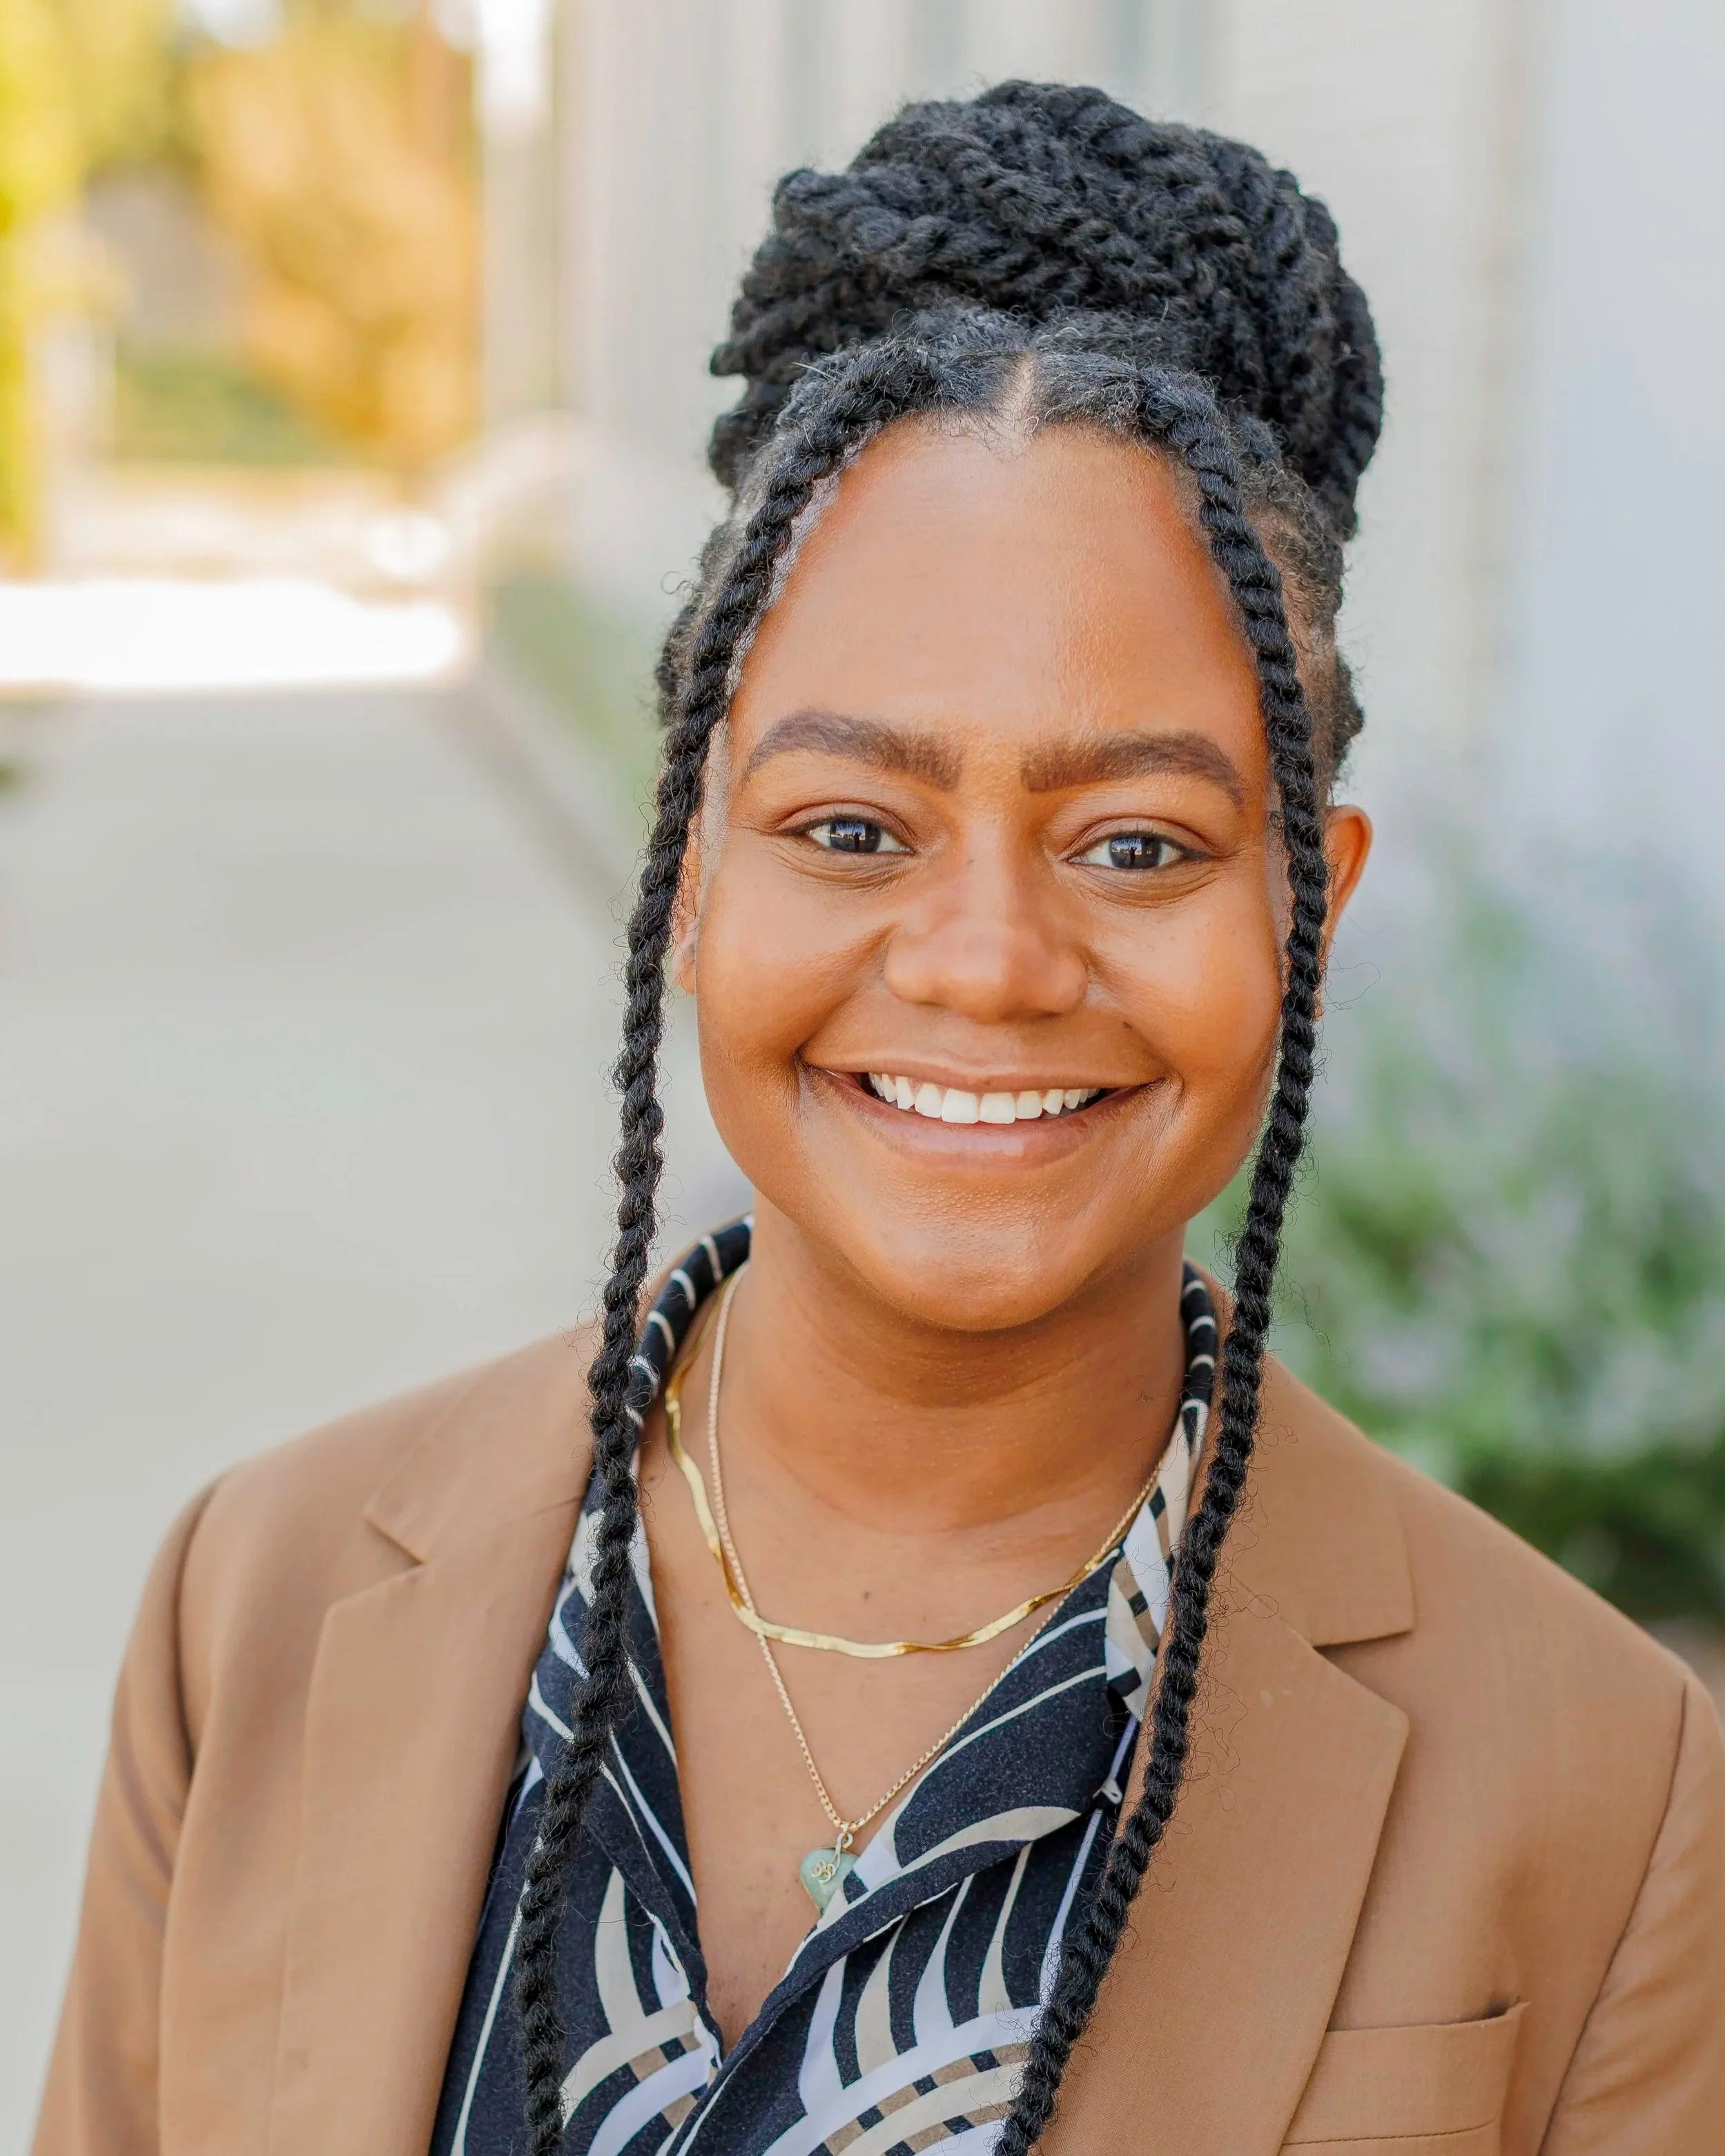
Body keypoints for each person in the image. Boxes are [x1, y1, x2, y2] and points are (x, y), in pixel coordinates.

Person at [33, 82, 1725, 2156]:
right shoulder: (261, 1603)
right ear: (693, 865)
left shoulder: (1604, 1785)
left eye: (1134, 842)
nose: (990, 959)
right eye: (850, 825)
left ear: (1315, 898)